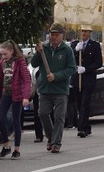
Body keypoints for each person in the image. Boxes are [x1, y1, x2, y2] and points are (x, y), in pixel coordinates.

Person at [32, 24, 77, 152]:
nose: (54, 37)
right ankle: (51, 138)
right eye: (52, 34)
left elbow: (71, 68)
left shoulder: (67, 50)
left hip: (60, 90)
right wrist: (38, 52)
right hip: (45, 88)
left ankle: (56, 143)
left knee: (59, 117)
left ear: (62, 35)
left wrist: (56, 76)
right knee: (43, 113)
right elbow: (34, 63)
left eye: (57, 35)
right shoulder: (44, 48)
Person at [0, 40, 31, 158]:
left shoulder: (20, 62)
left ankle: (17, 149)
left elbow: (26, 80)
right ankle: (6, 146)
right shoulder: (2, 62)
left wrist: (26, 96)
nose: (3, 56)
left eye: (5, 54)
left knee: (16, 120)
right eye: (1, 54)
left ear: (11, 51)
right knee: (0, 119)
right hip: (5, 93)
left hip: (17, 94)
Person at [71, 25, 103, 138]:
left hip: (88, 79)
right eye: (82, 31)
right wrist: (75, 51)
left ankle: (82, 129)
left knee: (85, 103)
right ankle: (87, 126)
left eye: (86, 31)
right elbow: (70, 60)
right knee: (79, 104)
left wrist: (86, 69)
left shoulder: (95, 45)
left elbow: (98, 62)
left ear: (90, 33)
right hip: (76, 79)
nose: (84, 33)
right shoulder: (74, 45)